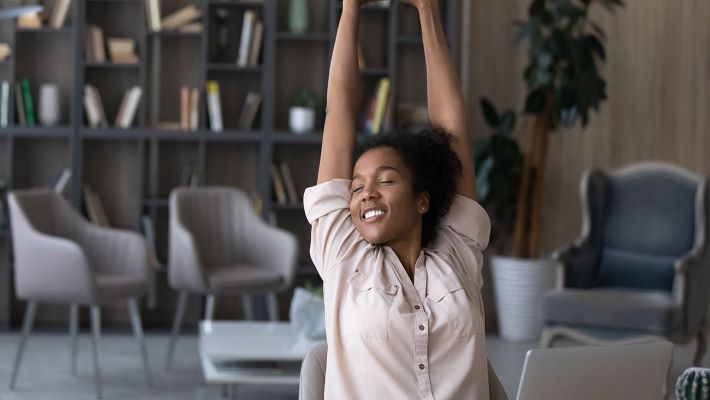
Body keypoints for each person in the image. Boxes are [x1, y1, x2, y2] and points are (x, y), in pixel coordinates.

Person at [303, 0, 491, 398]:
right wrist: (351, 8)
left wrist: (427, 10)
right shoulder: (343, 254)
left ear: (422, 200)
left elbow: (451, 128)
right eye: (355, 187)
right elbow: (339, 108)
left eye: (385, 180)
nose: (366, 192)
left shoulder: (457, 252)